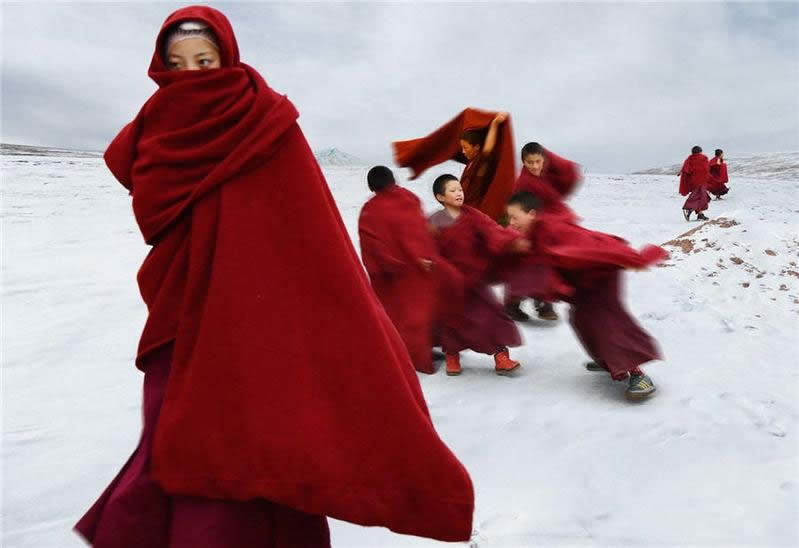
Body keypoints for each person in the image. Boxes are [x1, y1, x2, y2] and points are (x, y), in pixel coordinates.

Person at [75, 7, 474, 547]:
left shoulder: (265, 122)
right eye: (178, 65)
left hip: (254, 321)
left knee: (255, 439)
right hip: (181, 310)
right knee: (177, 436)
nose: (192, 76)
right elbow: (153, 205)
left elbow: (310, 229)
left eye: (205, 61)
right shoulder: (154, 131)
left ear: (228, 58)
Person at [506, 191, 667, 401]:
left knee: (606, 323)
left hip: (600, 276)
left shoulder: (554, 229)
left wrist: (633, 259)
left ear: (532, 214)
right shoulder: (534, 233)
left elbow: (589, 250)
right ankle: (609, 360)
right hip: (582, 282)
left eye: (514, 217)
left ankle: (637, 374)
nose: (511, 222)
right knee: (581, 320)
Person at [358, 166, 463, 374]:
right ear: (393, 180)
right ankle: (422, 355)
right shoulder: (408, 198)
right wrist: (423, 258)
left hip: (389, 275)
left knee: (396, 317)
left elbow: (370, 244)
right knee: (419, 316)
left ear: (371, 186)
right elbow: (417, 230)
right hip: (416, 269)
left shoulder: (369, 210)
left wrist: (385, 265)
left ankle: (407, 357)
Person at [429, 174, 528, 376]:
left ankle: (501, 357)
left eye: (460, 190)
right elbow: (425, 247)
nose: (459, 194)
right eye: (453, 190)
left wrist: (514, 239)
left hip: (475, 279)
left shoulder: (472, 215)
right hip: (449, 282)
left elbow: (494, 232)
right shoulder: (434, 221)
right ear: (440, 197)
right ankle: (452, 356)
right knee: (451, 321)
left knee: (490, 316)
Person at [393, 108, 517, 221]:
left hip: (474, 214)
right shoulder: (471, 163)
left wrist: (495, 124)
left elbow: (487, 150)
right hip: (463, 211)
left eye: (465, 147)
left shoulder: (480, 162)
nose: (462, 151)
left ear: (476, 147)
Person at [505, 142, 583, 321]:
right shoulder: (523, 183)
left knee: (548, 264)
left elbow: (567, 175)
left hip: (548, 227)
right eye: (529, 162)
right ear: (523, 162)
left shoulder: (546, 175)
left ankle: (543, 303)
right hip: (528, 228)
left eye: (537, 161)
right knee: (526, 267)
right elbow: (517, 209)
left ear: (544, 161)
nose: (534, 166)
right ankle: (514, 305)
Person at [679, 145, 711, 221]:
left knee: (698, 196)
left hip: (694, 181)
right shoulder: (703, 158)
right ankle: (689, 207)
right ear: (700, 151)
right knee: (701, 197)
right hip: (702, 180)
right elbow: (707, 169)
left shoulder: (689, 159)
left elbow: (686, 170)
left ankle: (700, 214)